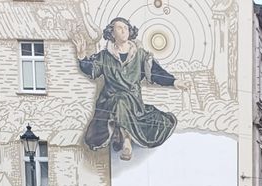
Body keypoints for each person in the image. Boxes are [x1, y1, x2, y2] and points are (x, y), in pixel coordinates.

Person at [74, 17, 187, 161]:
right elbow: (92, 70)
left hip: (133, 103)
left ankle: (126, 140)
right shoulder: (105, 56)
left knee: (123, 99)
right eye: (119, 28)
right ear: (112, 33)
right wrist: (82, 55)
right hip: (108, 102)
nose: (124, 30)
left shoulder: (140, 55)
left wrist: (174, 81)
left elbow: (155, 72)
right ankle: (126, 141)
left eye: (126, 28)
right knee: (119, 99)